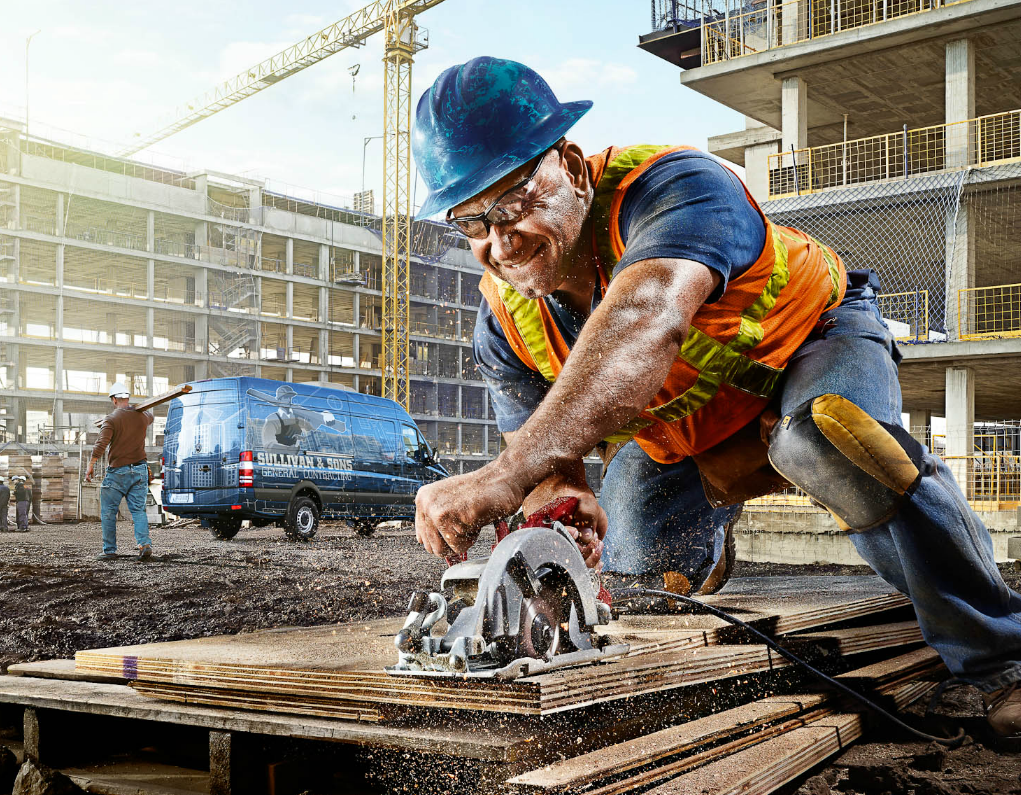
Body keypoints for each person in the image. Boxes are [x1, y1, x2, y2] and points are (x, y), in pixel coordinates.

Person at [408, 56, 1021, 739]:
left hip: (809, 343)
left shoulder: (675, 187)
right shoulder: (505, 322)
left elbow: (646, 317)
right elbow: (548, 460)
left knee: (835, 444)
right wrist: (560, 499)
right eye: (471, 222)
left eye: (514, 203)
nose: (499, 241)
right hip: (692, 426)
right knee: (637, 573)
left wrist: (499, 477)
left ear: (573, 168)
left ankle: (1002, 657)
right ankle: (709, 525)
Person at [86, 381, 154, 562]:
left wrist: (91, 464)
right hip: (139, 470)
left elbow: (101, 444)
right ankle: (144, 544)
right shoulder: (142, 417)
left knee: (109, 512)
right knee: (138, 510)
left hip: (118, 472)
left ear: (114, 400)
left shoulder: (111, 419)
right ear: (128, 398)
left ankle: (109, 551)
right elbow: (151, 416)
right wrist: (139, 409)